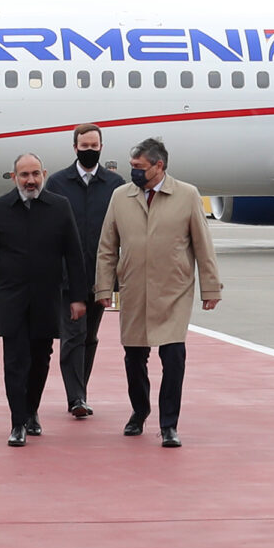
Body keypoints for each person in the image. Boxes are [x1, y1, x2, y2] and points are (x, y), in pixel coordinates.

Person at [95, 137, 222, 448]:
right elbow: (107, 247)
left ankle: (169, 425)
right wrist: (103, 287)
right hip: (135, 289)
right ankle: (140, 411)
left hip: (173, 291)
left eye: (139, 167)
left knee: (173, 357)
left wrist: (211, 287)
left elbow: (202, 246)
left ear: (159, 166)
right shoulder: (120, 197)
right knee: (134, 357)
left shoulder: (187, 195)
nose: (134, 172)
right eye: (132, 167)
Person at [0, 153, 88, 446]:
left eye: (35, 174)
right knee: (14, 360)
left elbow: (74, 255)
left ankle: (31, 410)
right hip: (10, 297)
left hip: (47, 295)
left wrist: (77, 297)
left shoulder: (60, 207)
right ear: (14, 177)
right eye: (24, 175)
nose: (31, 180)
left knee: (40, 359)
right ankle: (17, 422)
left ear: (44, 174)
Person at [45, 123, 126, 418]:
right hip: (67, 277)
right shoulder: (57, 183)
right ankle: (76, 397)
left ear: (101, 147)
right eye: (84, 146)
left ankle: (81, 391)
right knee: (73, 335)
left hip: (101, 277)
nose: (89, 151)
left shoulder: (116, 185)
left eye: (94, 147)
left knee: (89, 337)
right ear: (74, 147)